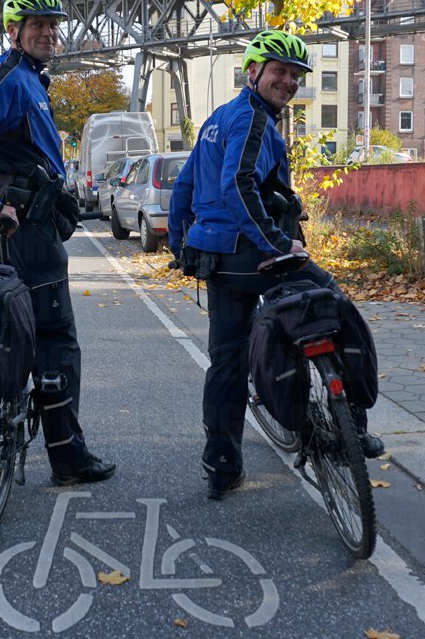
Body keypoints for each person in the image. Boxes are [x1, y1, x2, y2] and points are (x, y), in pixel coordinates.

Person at [168, 29, 386, 501]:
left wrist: (179, 245)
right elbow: (238, 184)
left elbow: (185, 187)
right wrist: (275, 243)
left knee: (226, 360)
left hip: (218, 261)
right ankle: (353, 431)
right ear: (253, 72)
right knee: (334, 309)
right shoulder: (253, 120)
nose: (287, 81)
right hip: (254, 253)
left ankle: (221, 467)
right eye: (279, 72)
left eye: (294, 75)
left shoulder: (218, 118)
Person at [0, 0, 115, 487]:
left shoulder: (31, 82)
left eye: (52, 26)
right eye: (36, 24)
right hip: (22, 229)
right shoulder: (10, 77)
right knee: (56, 338)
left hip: (20, 224)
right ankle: (68, 458)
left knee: (11, 327)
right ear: (12, 31)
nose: (47, 33)